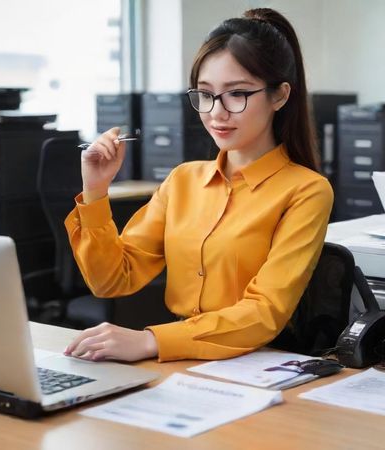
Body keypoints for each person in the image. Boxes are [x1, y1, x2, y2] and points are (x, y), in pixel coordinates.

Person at [63, 8, 333, 362]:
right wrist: (96, 191)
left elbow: (265, 311)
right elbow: (112, 279)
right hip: (181, 360)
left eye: (237, 94)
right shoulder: (183, 180)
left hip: (256, 362)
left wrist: (151, 341)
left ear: (279, 96)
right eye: (205, 94)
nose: (216, 112)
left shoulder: (307, 191)